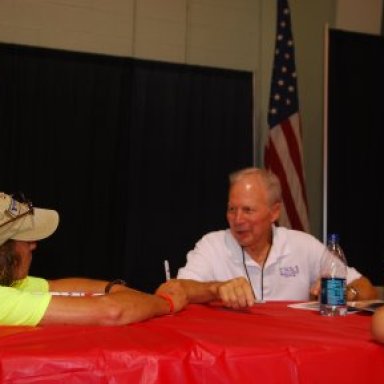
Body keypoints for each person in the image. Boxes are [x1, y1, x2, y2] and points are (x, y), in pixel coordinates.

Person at [157, 167, 377, 309]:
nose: (237, 219)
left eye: (248, 210)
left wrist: (345, 293)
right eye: (231, 209)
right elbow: (173, 290)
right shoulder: (212, 245)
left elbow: (367, 288)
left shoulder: (303, 245)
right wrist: (215, 289)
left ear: (274, 212)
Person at [0, 192, 187, 326]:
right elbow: (113, 312)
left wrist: (115, 289)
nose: (33, 244)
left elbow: (54, 287)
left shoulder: (9, 283)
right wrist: (167, 302)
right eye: (24, 238)